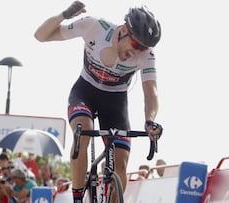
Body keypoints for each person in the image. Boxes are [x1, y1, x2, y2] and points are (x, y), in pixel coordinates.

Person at [34, 1, 163, 202]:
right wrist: (64, 15)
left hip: (115, 101)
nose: (137, 52)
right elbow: (40, 36)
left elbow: (151, 91)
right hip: (85, 92)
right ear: (124, 30)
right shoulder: (93, 27)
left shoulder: (147, 56)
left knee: (120, 166)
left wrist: (150, 121)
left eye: (143, 48)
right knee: (82, 133)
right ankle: (77, 197)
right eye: (136, 44)